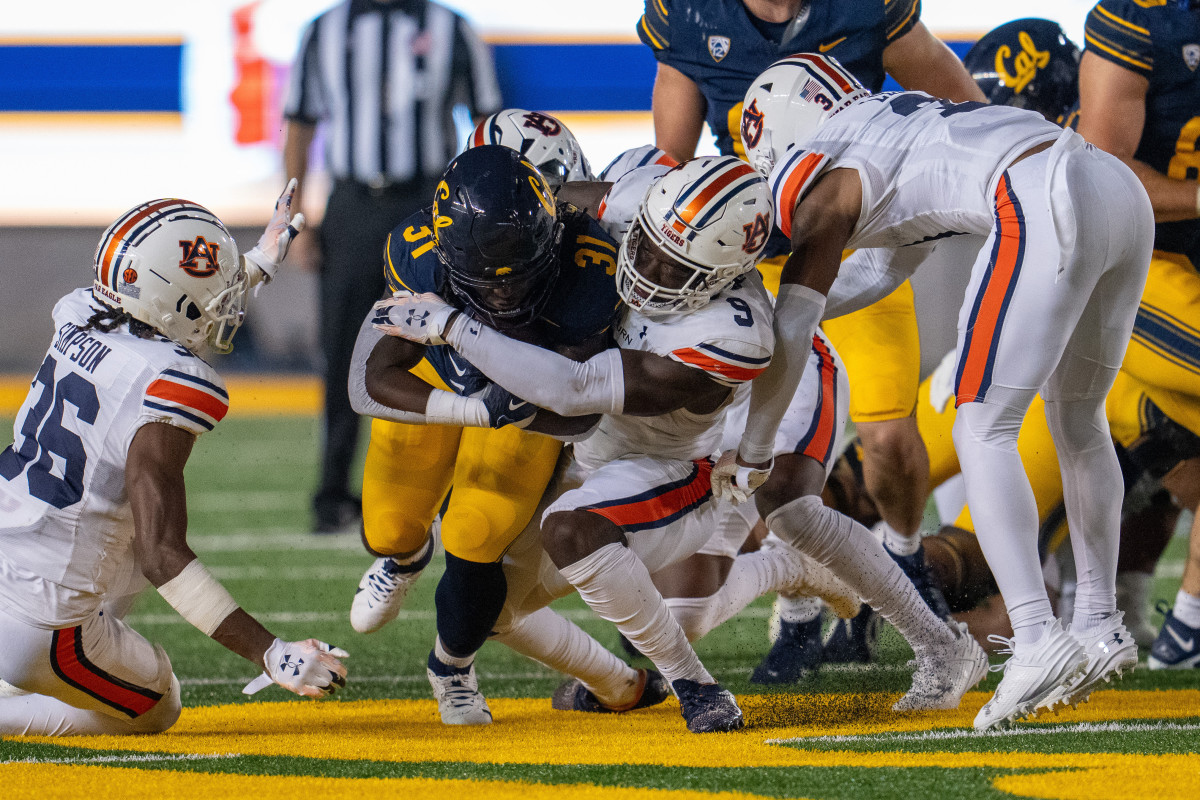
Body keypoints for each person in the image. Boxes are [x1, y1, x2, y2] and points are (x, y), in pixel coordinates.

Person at [376, 155, 988, 731]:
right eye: (645, 245)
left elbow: (574, 388)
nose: (647, 269)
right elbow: (555, 205)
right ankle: (631, 676)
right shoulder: (646, 204)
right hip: (605, 439)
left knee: (788, 513)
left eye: (676, 269)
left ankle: (721, 680)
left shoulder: (728, 332)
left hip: (690, 446)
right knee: (489, 611)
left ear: (723, 277)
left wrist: (451, 326)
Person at [722, 53, 1151, 730]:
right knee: (1078, 419)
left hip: (1043, 191)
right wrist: (785, 308)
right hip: (1114, 189)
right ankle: (1100, 623)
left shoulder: (822, 168)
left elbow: (796, 324)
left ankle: (1038, 637)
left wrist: (751, 447)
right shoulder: (892, 132)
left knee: (982, 423)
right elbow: (874, 274)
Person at [638, 0, 989, 670]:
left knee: (886, 437)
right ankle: (798, 603)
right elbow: (670, 167)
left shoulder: (862, 7)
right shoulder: (689, 13)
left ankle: (905, 556)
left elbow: (964, 105)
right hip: (751, 261)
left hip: (856, 249)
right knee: (761, 448)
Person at [0, 183, 348, 736]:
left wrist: (256, 262)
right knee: (157, 706)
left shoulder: (78, 311)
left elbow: (162, 310)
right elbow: (165, 555)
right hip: (44, 625)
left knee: (127, 535)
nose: (222, 308)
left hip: (9, 551)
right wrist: (271, 651)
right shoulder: (172, 381)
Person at [347, 145, 620, 726]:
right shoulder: (416, 250)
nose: (503, 295)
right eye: (484, 282)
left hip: (530, 404)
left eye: (518, 277)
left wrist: (513, 411)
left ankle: (452, 667)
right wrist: (471, 411)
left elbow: (579, 412)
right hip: (444, 382)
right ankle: (405, 557)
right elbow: (369, 379)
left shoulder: (588, 264)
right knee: (388, 525)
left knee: (476, 535)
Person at [283, 0, 502, 533]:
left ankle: (455, 488)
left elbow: (488, 124)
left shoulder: (452, 28)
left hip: (431, 198)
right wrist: (297, 218)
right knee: (341, 349)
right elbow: (300, 126)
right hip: (352, 206)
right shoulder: (324, 30)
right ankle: (333, 492)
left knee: (453, 340)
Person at [1072, 0, 1200, 671]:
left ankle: (1184, 626)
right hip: (1142, 263)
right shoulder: (1143, 18)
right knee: (978, 578)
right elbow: (1105, 174)